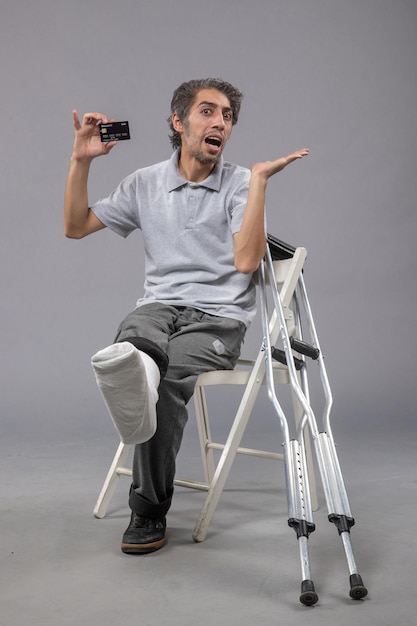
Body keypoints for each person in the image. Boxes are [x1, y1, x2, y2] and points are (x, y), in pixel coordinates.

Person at [64, 77, 308, 555]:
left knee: (163, 377)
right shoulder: (144, 183)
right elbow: (75, 227)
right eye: (208, 112)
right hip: (158, 310)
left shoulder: (239, 182)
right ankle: (135, 371)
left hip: (217, 321)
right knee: (136, 341)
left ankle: (147, 510)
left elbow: (245, 261)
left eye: (228, 117)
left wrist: (258, 181)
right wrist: (80, 161)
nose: (221, 122)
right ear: (179, 122)